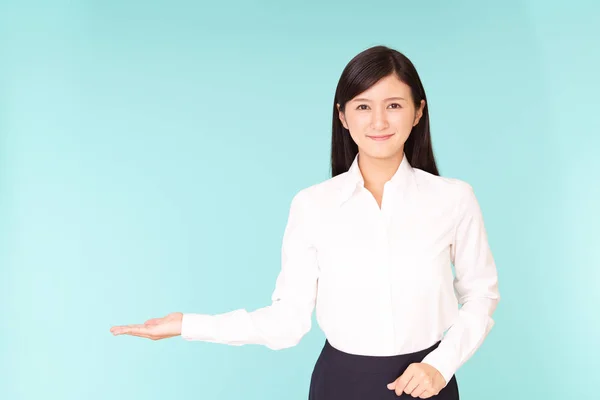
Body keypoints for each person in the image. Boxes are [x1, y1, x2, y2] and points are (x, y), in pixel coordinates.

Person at [110, 45, 500, 399]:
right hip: (340, 384)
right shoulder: (313, 205)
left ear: (418, 111)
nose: (379, 120)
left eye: (394, 105)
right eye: (363, 106)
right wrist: (187, 324)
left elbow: (481, 295)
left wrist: (440, 365)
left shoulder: (453, 198)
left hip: (428, 384)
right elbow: (286, 323)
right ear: (343, 116)